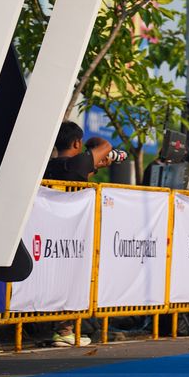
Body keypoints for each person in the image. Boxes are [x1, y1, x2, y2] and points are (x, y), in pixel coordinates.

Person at [44, 121, 119, 347]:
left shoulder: (49, 165)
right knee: (71, 280)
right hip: (72, 234)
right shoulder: (77, 162)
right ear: (77, 143)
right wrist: (93, 147)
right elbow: (105, 145)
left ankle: (62, 329)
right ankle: (65, 331)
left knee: (54, 280)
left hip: (48, 230)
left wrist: (93, 164)